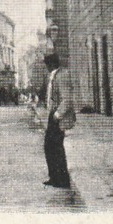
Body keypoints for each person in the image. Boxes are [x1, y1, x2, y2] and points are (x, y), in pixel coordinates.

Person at [43, 52, 76, 189]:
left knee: (54, 147)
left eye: (47, 65)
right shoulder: (55, 75)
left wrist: (57, 115)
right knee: (51, 147)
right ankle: (55, 177)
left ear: (51, 64)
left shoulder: (61, 76)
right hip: (53, 115)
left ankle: (61, 179)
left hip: (57, 116)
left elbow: (67, 99)